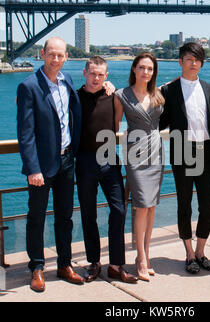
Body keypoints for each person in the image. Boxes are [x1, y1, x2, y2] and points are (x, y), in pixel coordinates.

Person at [16, 36, 84, 292]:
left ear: (66, 57)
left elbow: (75, 113)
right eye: (51, 54)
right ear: (42, 54)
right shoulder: (28, 86)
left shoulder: (67, 82)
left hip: (67, 160)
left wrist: (108, 85)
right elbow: (26, 133)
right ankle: (36, 267)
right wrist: (32, 168)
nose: (56, 59)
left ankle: (64, 264)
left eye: (60, 55)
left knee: (65, 217)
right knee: (36, 218)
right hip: (41, 166)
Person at [76, 56, 138, 284]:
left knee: (119, 210)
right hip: (84, 161)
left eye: (101, 75)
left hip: (110, 160)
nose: (96, 78)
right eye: (92, 73)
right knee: (88, 213)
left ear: (106, 76)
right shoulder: (75, 97)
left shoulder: (114, 97)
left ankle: (116, 264)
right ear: (84, 73)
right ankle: (94, 262)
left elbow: (118, 123)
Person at [159, 42, 210, 274]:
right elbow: (158, 120)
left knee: (208, 205)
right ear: (180, 62)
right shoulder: (168, 91)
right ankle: (189, 254)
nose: (193, 63)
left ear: (202, 63)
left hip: (206, 151)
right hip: (182, 150)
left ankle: (202, 251)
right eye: (189, 59)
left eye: (197, 59)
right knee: (184, 205)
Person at [114, 52, 165, 282]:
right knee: (141, 205)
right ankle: (141, 258)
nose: (146, 72)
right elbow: (113, 126)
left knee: (151, 206)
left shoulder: (158, 94)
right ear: (134, 69)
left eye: (150, 69)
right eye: (142, 67)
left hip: (156, 152)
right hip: (135, 154)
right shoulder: (120, 95)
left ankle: (146, 255)